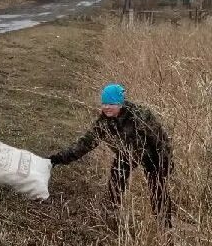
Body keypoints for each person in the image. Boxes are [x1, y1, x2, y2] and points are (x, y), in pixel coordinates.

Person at [49, 83, 174, 227]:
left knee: (158, 191)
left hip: (152, 155)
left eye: (111, 103)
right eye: (104, 104)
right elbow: (84, 144)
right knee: (116, 178)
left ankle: (165, 226)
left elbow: (160, 139)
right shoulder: (103, 123)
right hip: (126, 154)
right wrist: (57, 159)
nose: (107, 107)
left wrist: (166, 161)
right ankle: (114, 215)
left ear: (120, 104)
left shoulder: (140, 116)